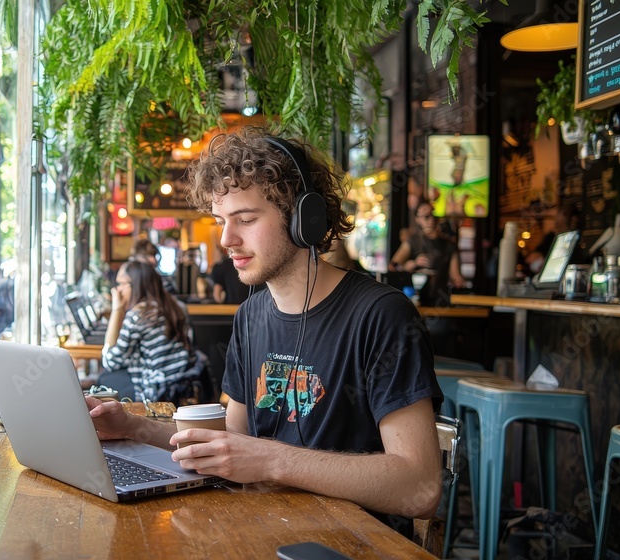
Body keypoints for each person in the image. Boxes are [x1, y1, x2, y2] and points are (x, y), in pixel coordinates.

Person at [85, 127, 442, 535]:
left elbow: (421, 488)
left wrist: (271, 460)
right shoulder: (251, 315)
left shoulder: (382, 316)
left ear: (302, 219)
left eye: (246, 219)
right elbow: (232, 443)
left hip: (349, 542)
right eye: (221, 221)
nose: (226, 239)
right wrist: (132, 428)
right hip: (262, 529)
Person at [99, 259, 204, 404]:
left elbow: (110, 362)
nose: (117, 290)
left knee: (104, 379)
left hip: (157, 392)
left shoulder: (139, 316)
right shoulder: (176, 306)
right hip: (184, 383)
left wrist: (117, 310)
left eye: (121, 284)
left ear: (136, 285)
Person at [390, 202, 466, 306]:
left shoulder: (448, 244)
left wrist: (459, 282)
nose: (430, 220)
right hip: (413, 298)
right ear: (418, 219)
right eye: (426, 216)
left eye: (433, 215)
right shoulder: (413, 241)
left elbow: (455, 275)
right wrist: (412, 264)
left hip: (439, 299)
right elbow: (393, 266)